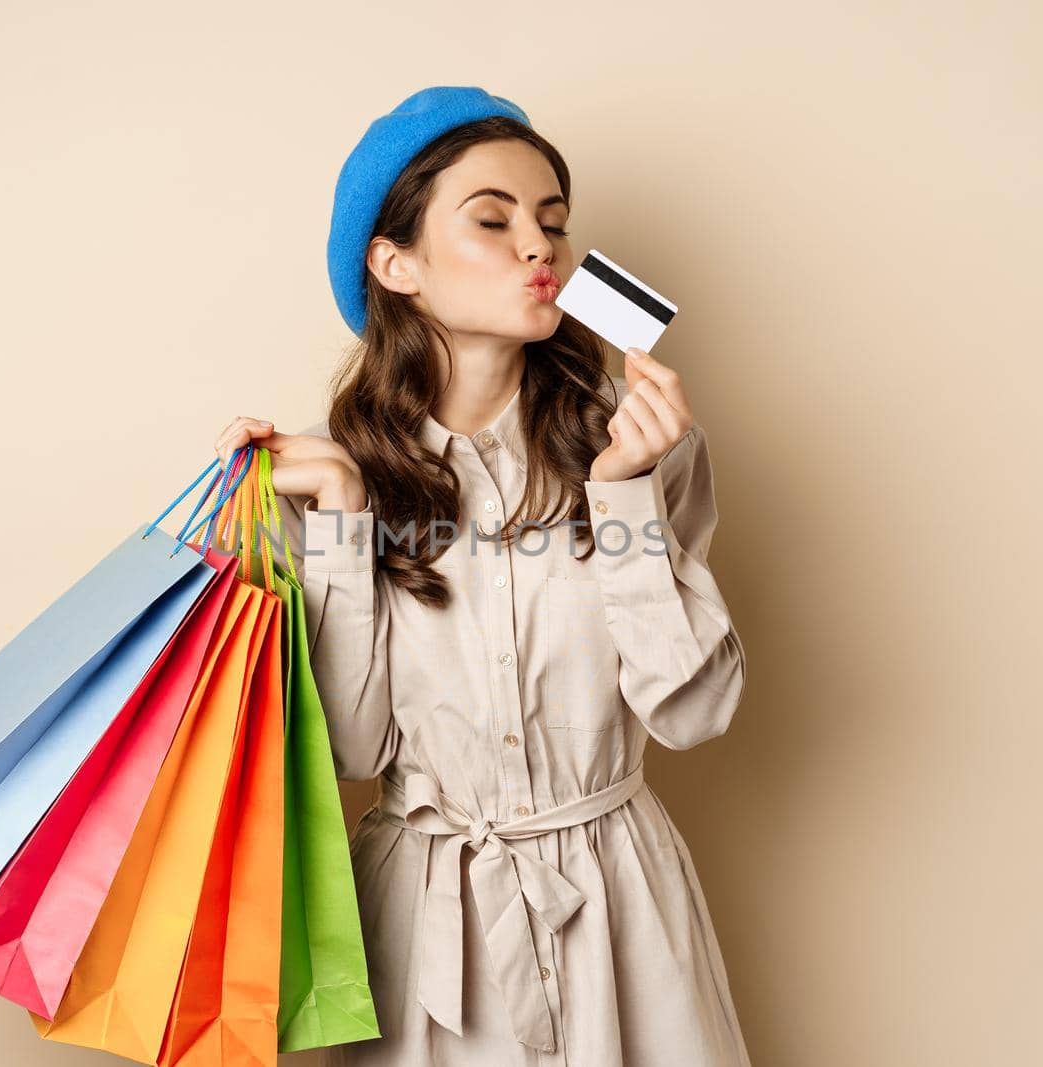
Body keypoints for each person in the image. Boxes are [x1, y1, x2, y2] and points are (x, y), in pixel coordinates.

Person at [211, 86, 751, 1066]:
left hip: (616, 904)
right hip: (423, 928)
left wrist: (624, 497)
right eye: (492, 220)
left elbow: (693, 710)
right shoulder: (334, 469)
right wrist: (339, 515)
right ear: (396, 262)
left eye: (551, 221)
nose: (538, 247)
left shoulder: (643, 445)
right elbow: (350, 744)